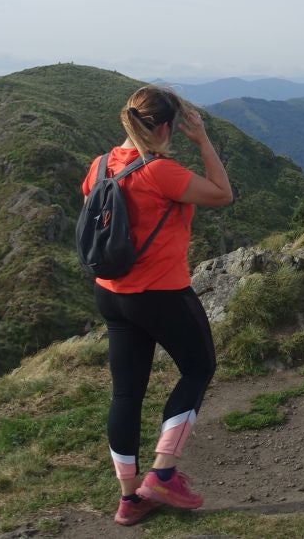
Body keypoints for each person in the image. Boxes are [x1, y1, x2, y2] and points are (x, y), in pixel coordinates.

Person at [80, 85, 234, 527]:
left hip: (111, 293)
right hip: (160, 292)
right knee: (199, 368)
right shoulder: (160, 172)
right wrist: (202, 140)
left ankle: (130, 499)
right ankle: (163, 473)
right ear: (167, 127)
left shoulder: (99, 165)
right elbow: (222, 194)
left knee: (126, 392)